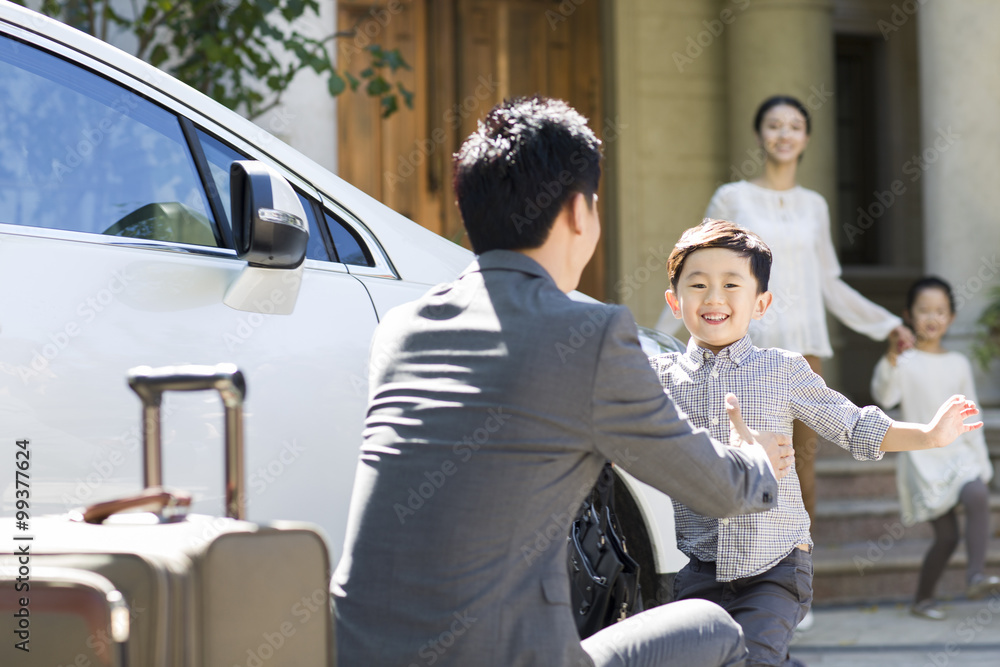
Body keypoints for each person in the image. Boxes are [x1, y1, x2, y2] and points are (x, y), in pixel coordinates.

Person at [332, 96, 796, 667]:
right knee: (717, 627)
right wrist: (756, 461)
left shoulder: (401, 330)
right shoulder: (588, 333)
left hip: (361, 653)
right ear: (581, 213)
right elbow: (717, 489)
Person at [651, 220, 983, 666]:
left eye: (732, 284)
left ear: (761, 302)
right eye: (698, 285)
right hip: (698, 569)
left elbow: (851, 425)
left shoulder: (782, 369)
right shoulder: (659, 380)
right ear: (675, 300)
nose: (714, 298)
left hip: (775, 567)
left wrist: (928, 434)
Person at [655, 95, 915, 528]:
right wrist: (658, 332)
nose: (784, 134)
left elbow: (829, 282)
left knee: (798, 470)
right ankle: (729, 570)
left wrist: (888, 324)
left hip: (802, 356)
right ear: (760, 135)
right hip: (740, 351)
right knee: (734, 456)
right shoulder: (732, 197)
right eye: (774, 125)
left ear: (806, 138)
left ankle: (795, 574)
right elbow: (694, 271)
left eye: (794, 126)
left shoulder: (814, 205)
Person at [871, 276, 998, 620]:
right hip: (923, 459)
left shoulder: (958, 363)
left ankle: (974, 576)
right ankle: (923, 599)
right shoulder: (904, 361)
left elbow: (972, 415)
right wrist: (893, 357)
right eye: (924, 310)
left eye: (940, 311)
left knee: (976, 494)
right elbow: (885, 397)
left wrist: (982, 464)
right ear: (908, 315)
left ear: (951, 318)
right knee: (946, 537)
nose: (932, 317)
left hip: (959, 455)